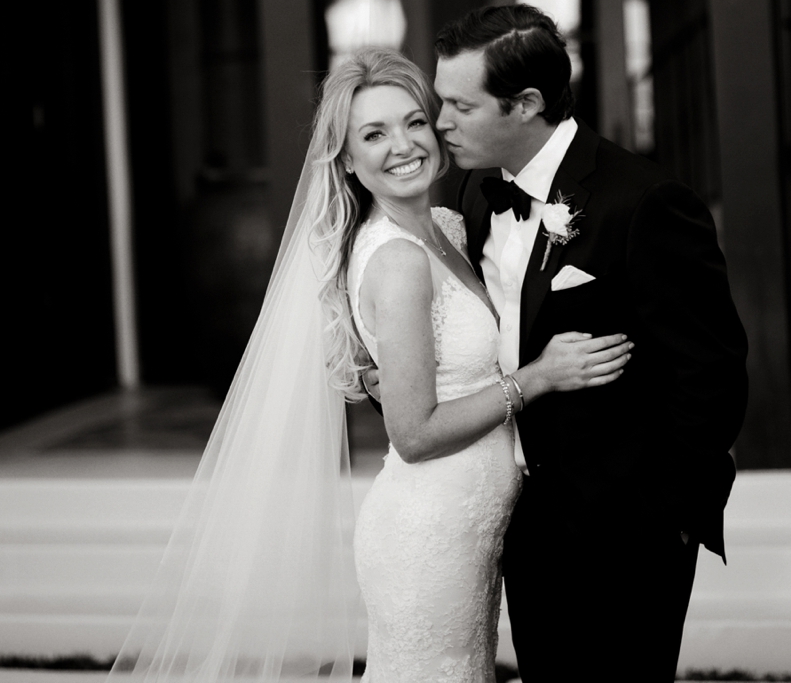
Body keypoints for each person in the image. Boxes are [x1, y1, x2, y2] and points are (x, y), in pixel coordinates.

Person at [108, 46, 631, 683]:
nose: (404, 144)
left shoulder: (445, 226)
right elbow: (413, 434)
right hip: (429, 531)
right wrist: (538, 378)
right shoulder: (398, 259)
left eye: (414, 121)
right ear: (348, 160)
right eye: (374, 134)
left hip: (475, 525)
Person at [430, 3, 749, 683]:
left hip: (629, 527)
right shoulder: (476, 195)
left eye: (459, 105)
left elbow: (711, 373)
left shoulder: (646, 200)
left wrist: (670, 518)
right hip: (521, 517)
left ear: (525, 104)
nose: (440, 123)